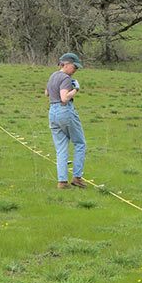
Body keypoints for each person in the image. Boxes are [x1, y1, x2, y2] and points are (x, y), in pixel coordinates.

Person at [45, 52, 87, 189]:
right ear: (67, 64)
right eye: (74, 67)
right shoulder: (66, 78)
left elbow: (46, 93)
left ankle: (62, 182)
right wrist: (76, 89)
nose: (75, 70)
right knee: (80, 143)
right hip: (65, 110)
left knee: (61, 148)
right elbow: (64, 97)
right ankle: (77, 177)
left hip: (52, 112)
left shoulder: (53, 76)